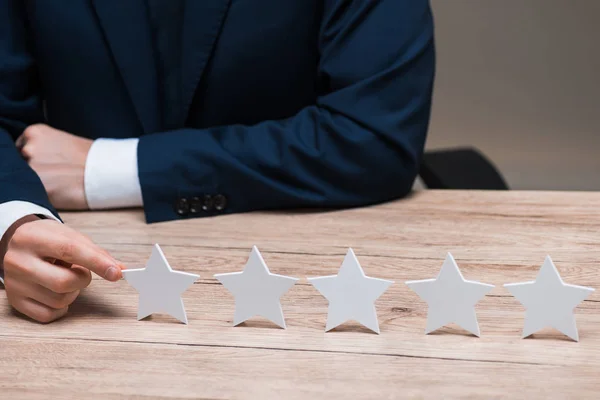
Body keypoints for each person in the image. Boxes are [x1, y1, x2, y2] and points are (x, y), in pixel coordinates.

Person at [0, 0, 435, 323]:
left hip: (316, 286)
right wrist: (14, 220)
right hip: (86, 295)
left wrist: (109, 169)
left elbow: (373, 137)